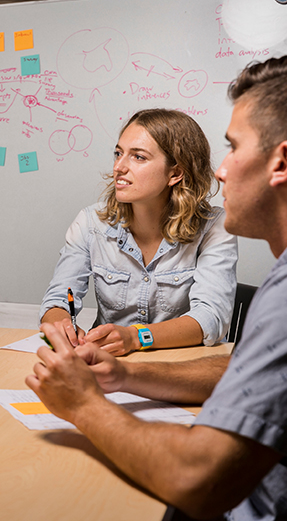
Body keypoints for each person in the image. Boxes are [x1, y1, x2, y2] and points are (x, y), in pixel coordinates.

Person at [29, 51, 287, 521]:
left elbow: (197, 480)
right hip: (255, 518)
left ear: (282, 162)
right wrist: (124, 375)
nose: (219, 168)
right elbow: (242, 368)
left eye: (235, 147)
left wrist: (82, 403)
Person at [40, 108, 238, 356]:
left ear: (175, 173)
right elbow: (58, 298)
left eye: (139, 157)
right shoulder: (91, 223)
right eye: (118, 153)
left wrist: (136, 337)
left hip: (181, 368)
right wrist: (59, 323)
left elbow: (211, 318)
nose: (119, 167)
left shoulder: (214, 227)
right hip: (105, 364)